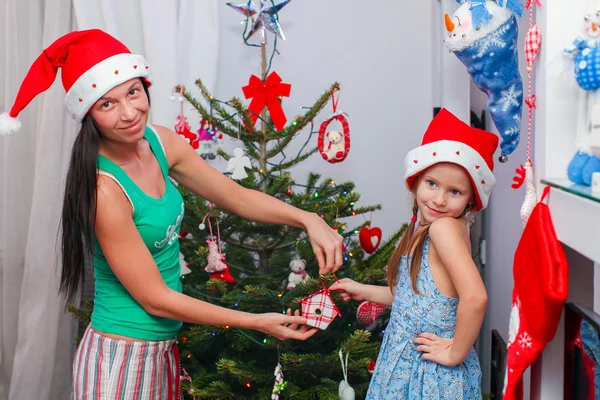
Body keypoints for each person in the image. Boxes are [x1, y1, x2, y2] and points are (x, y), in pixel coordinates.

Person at [0, 29, 343, 399]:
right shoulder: (104, 190)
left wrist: (310, 218)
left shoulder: (161, 142)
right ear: (89, 114)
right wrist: (256, 321)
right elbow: (154, 298)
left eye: (133, 92)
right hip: (122, 355)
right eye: (107, 104)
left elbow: (236, 196)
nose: (130, 113)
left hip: (161, 349)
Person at [330, 108, 499, 399]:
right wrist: (363, 290)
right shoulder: (430, 227)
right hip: (407, 363)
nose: (439, 199)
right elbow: (415, 300)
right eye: (432, 184)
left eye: (455, 191)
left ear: (471, 199)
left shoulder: (443, 229)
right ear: (416, 180)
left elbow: (476, 297)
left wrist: (456, 352)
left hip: (428, 373)